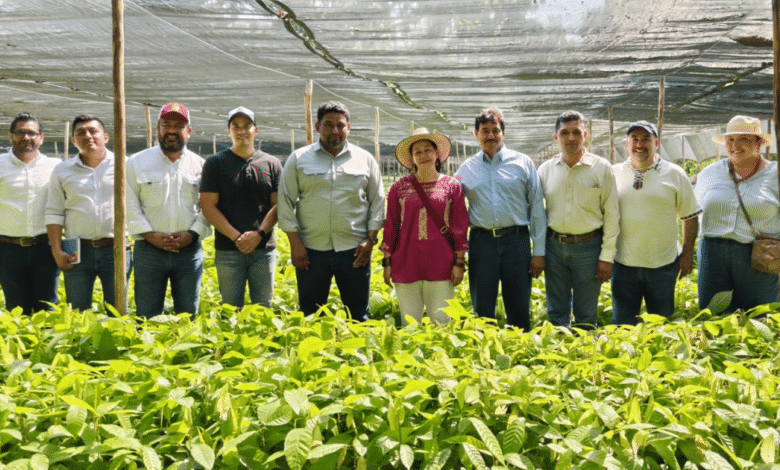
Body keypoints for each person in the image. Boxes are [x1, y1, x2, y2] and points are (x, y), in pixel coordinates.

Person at [277, 101, 384, 321]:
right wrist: (295, 244)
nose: (335, 130)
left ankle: (356, 352)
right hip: (311, 251)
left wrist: (371, 240)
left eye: (340, 125)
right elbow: (285, 201)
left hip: (354, 250)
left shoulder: (365, 160)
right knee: (310, 314)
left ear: (348, 127)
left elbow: (378, 201)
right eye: (328, 125)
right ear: (317, 126)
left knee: (358, 314)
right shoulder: (298, 159)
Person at [454, 108, 546, 331]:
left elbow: (536, 208)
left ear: (503, 133)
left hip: (517, 241)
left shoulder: (522, 163)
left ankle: (519, 350)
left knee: (519, 303)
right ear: (476, 134)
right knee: (482, 304)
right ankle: (486, 354)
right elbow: (453, 210)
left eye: (495, 130)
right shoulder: (466, 169)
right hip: (481, 242)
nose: (490, 136)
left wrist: (539, 252)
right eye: (484, 131)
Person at [126, 102, 211, 318]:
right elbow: (129, 203)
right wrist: (149, 235)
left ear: (189, 131)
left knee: (188, 314)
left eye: (179, 126)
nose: (172, 130)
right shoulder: (136, 163)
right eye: (166, 125)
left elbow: (208, 207)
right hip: (148, 250)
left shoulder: (201, 166)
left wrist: (192, 234)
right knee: (147, 313)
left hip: (188, 251)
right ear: (157, 128)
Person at [612, 121, 700, 324]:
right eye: (634, 139)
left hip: (663, 264)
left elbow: (690, 216)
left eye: (646, 139)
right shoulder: (613, 172)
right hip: (623, 263)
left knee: (661, 322)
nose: (639, 144)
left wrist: (687, 254)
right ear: (627, 144)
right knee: (623, 324)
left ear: (657, 143)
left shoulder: (675, 173)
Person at [538, 111, 619, 328]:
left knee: (586, 311)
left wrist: (607, 256)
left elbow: (612, 215)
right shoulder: (545, 170)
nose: (571, 137)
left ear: (586, 134)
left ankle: (585, 355)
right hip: (554, 247)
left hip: (589, 248)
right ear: (556, 137)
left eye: (576, 132)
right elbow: (537, 213)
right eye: (565, 132)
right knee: (556, 309)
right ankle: (559, 352)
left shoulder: (601, 168)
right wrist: (538, 251)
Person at [380, 128, 468, 325]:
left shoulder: (452, 186)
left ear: (437, 154)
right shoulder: (399, 187)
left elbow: (459, 227)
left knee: (442, 322)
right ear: (411, 159)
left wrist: (459, 263)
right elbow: (391, 226)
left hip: (442, 263)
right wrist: (387, 264)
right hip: (406, 262)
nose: (423, 155)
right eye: (417, 152)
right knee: (409, 323)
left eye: (427, 149)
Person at [695, 115, 780, 312]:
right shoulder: (709, 173)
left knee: (760, 315)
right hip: (713, 253)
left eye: (743, 139)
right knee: (714, 314)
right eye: (730, 140)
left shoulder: (775, 175)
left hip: (760, 254)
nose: (735, 145)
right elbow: (693, 210)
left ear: (758, 144)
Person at [200, 106, 282, 308]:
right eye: (235, 126)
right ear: (228, 131)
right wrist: (236, 236)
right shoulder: (215, 163)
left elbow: (279, 205)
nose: (241, 131)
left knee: (263, 308)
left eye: (247, 126)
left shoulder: (272, 163)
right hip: (228, 250)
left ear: (256, 130)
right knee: (229, 308)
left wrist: (259, 234)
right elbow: (208, 206)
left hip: (263, 250)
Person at [46, 115, 130, 311]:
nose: (88, 135)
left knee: (118, 309)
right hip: (74, 247)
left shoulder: (125, 165)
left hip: (115, 247)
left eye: (93, 131)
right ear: (73, 141)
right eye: (80, 132)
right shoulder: (62, 170)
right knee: (77, 310)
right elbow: (54, 212)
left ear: (106, 137)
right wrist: (57, 250)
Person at [0, 113, 60, 314]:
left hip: (45, 246)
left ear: (41, 138)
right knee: (16, 308)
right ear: (10, 136)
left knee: (48, 306)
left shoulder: (55, 167)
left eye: (32, 133)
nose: (26, 137)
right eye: (20, 132)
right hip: (8, 249)